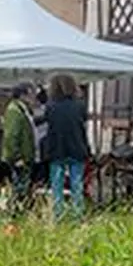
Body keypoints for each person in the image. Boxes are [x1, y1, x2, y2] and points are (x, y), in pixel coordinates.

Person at [42, 74, 90, 220]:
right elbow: (83, 124)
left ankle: (58, 215)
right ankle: (78, 215)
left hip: (57, 149)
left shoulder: (50, 107)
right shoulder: (80, 106)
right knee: (77, 185)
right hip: (77, 148)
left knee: (57, 185)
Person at [1, 83, 38, 215]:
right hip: (19, 159)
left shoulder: (21, 109)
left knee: (23, 189)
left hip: (25, 157)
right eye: (32, 93)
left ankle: (20, 213)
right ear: (23, 95)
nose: (34, 97)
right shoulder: (14, 111)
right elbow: (11, 135)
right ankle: (16, 215)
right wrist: (16, 157)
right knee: (19, 189)